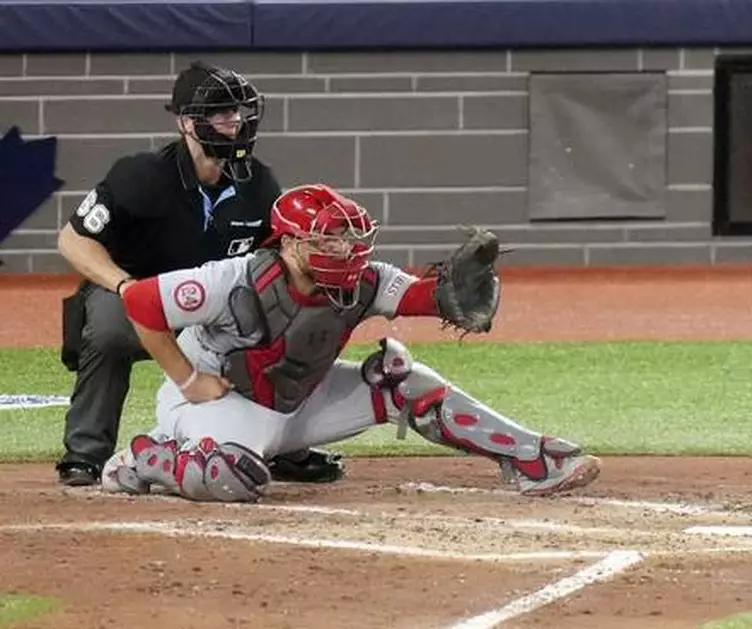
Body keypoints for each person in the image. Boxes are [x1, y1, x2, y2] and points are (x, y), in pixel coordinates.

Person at [98, 183, 601, 502]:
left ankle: (533, 460)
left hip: (300, 403)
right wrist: (187, 379)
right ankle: (147, 457)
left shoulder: (366, 280)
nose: (346, 250)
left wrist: (454, 294)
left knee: (404, 382)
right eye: (329, 240)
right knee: (232, 478)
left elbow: (425, 297)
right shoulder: (233, 279)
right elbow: (141, 302)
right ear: (290, 243)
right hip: (222, 404)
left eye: (349, 239)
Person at [55, 61, 342, 487]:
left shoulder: (259, 185)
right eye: (222, 114)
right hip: (140, 290)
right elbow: (72, 240)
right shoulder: (141, 176)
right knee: (110, 329)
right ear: (186, 122)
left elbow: (278, 257)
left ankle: (283, 447)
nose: (236, 123)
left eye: (241, 113)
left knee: (273, 324)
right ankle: (85, 453)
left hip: (212, 302)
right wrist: (125, 287)